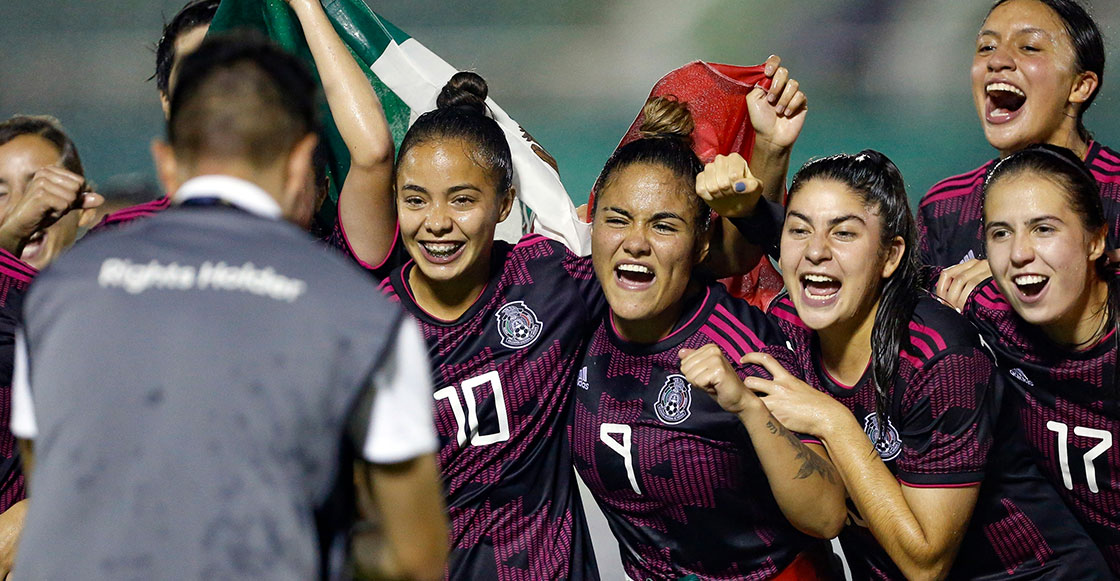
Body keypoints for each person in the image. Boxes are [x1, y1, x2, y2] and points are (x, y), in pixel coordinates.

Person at [10, 34, 448, 580]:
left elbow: (54, 492)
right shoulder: (362, 317)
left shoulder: (56, 296)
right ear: (300, 165)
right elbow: (416, 559)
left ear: (167, 165)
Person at [711, 150, 1111, 579]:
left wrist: (834, 422)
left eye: (844, 233)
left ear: (890, 256)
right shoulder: (785, 327)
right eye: (799, 231)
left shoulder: (938, 354)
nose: (815, 252)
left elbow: (926, 565)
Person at [569, 97, 845, 580]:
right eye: (617, 219)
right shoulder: (573, 317)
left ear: (700, 243)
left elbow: (826, 515)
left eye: (664, 225)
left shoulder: (743, 345)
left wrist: (748, 408)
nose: (635, 241)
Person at [379, 70, 604, 580]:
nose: (436, 222)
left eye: (462, 200)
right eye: (415, 199)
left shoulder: (548, 282)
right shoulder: (371, 330)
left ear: (504, 203)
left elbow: (662, 261)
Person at [964, 144, 1120, 576]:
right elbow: (863, 275)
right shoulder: (988, 314)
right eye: (1001, 233)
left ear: (1096, 240)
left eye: (1043, 229)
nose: (1019, 254)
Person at [920, 0, 1119, 311]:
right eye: (986, 48)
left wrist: (1013, 274)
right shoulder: (945, 207)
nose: (998, 61)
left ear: (1080, 85)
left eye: (1029, 47)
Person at [0, 115, 105, 578]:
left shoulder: (117, 320)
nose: (29, 204)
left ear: (85, 208)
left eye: (43, 185)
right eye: (0, 192)